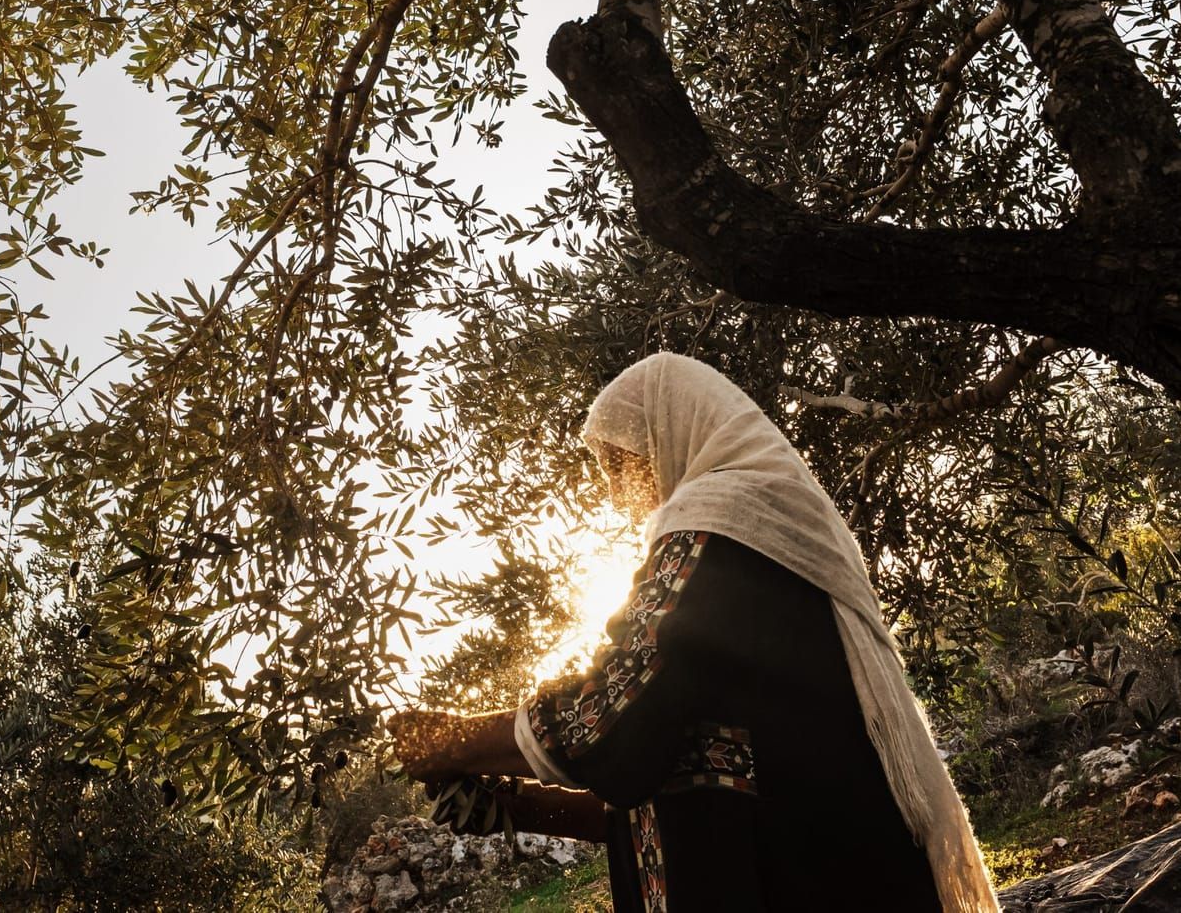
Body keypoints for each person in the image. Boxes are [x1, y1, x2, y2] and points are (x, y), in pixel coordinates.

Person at [389, 352, 998, 911]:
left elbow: (613, 715)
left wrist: (451, 740)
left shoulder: (721, 531)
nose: (613, 492)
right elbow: (677, 767)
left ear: (667, 433)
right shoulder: (768, 530)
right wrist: (517, 806)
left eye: (620, 463)